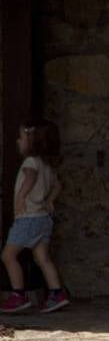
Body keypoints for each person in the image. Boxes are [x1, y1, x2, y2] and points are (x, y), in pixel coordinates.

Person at [1, 120, 69, 313]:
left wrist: (21, 196)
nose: (17, 141)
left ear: (31, 141)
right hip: (43, 219)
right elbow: (58, 186)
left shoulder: (30, 162)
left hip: (28, 219)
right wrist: (50, 200)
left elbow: (30, 177)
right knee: (42, 258)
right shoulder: (46, 165)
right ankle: (57, 293)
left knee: (8, 255)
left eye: (21, 138)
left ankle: (18, 295)